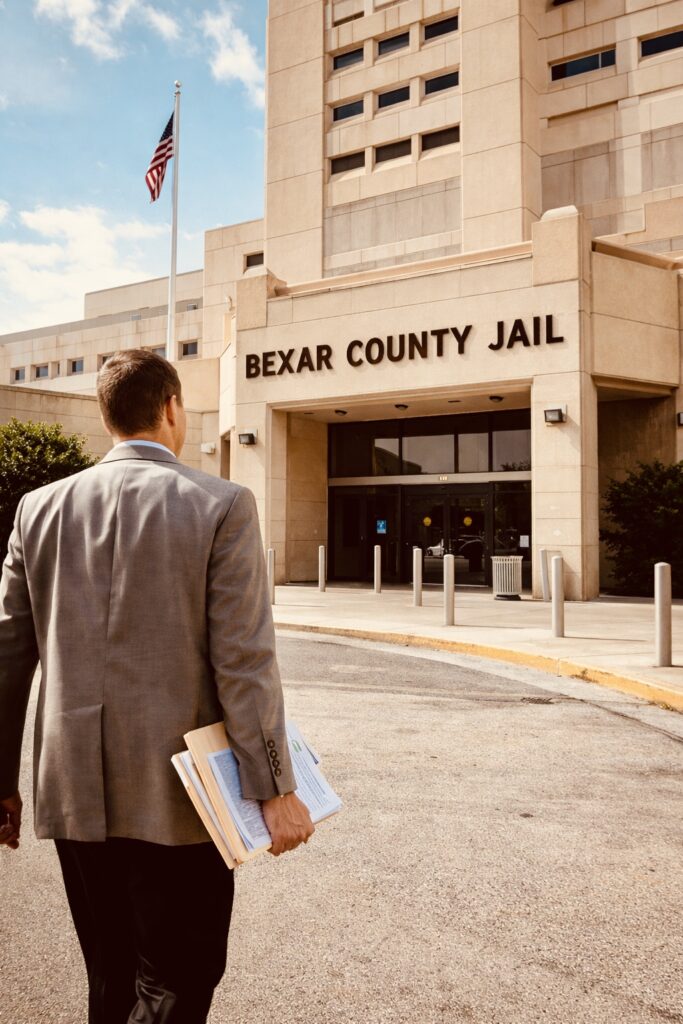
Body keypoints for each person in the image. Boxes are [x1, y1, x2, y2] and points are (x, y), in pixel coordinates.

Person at [0, 348, 314, 1023]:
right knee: (180, 978)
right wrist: (275, 789)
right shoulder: (222, 504)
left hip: (73, 790)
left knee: (111, 980)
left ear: (107, 416)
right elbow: (244, 660)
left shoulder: (38, 509)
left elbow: (6, 655)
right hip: (180, 798)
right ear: (171, 407)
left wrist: (2, 782)